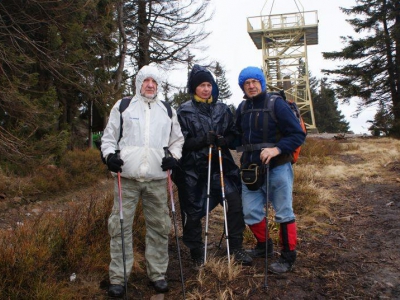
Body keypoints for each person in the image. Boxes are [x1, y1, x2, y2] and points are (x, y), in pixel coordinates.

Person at [101, 65, 184, 298]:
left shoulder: (167, 110)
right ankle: (118, 277)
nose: (150, 85)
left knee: (159, 227)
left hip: (157, 179)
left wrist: (173, 158)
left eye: (154, 81)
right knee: (119, 227)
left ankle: (157, 274)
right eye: (146, 80)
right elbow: (108, 138)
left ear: (158, 85)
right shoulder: (124, 106)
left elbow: (177, 140)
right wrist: (109, 157)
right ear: (139, 83)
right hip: (125, 178)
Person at [173, 64, 252, 268]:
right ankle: (196, 251)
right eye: (201, 85)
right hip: (193, 169)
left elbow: (234, 134)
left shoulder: (222, 109)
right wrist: (200, 140)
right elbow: (178, 142)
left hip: (221, 166)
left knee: (235, 202)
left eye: (209, 84)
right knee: (191, 210)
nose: (206, 89)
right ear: (194, 88)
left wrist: (225, 140)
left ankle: (235, 247)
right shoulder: (184, 111)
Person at [235, 66, 306, 273]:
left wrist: (276, 149)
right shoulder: (242, 108)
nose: (251, 86)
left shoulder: (277, 104)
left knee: (283, 212)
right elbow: (237, 136)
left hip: (278, 167)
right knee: (251, 212)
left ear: (262, 83)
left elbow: (297, 135)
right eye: (246, 83)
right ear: (243, 87)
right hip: (250, 169)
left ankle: (288, 256)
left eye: (254, 81)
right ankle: (264, 246)